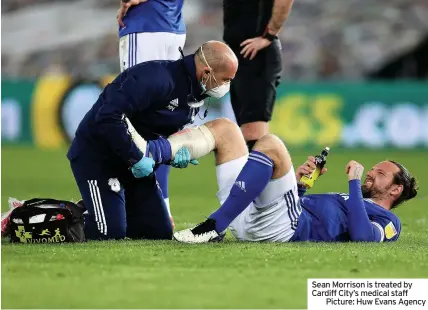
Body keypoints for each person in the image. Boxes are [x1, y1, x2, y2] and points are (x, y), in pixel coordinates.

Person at [67, 41, 238, 240]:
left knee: (157, 232)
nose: (227, 86)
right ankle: (39, 216)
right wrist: (135, 158)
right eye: (226, 79)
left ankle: (103, 205)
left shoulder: (194, 94)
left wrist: (171, 155)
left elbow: (155, 134)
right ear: (207, 73)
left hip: (133, 165)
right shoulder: (155, 78)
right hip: (98, 157)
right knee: (108, 232)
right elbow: (107, 117)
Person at [171, 133, 418, 243]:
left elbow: (363, 238)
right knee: (225, 129)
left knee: (271, 143)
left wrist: (353, 181)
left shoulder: (389, 221)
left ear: (395, 190)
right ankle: (157, 150)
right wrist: (299, 186)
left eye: (381, 173)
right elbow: (305, 208)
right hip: (258, 219)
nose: (372, 173)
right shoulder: (353, 200)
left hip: (284, 227)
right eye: (373, 169)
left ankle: (215, 226)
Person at [116, 0, 187, 226]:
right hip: (173, 25)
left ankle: (145, 209)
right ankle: (161, 207)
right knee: (163, 115)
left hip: (145, 24)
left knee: (135, 115)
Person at [223, 0, 294, 149]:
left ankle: (267, 171)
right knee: (245, 133)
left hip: (256, 55)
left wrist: (269, 35)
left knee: (254, 136)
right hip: (239, 53)